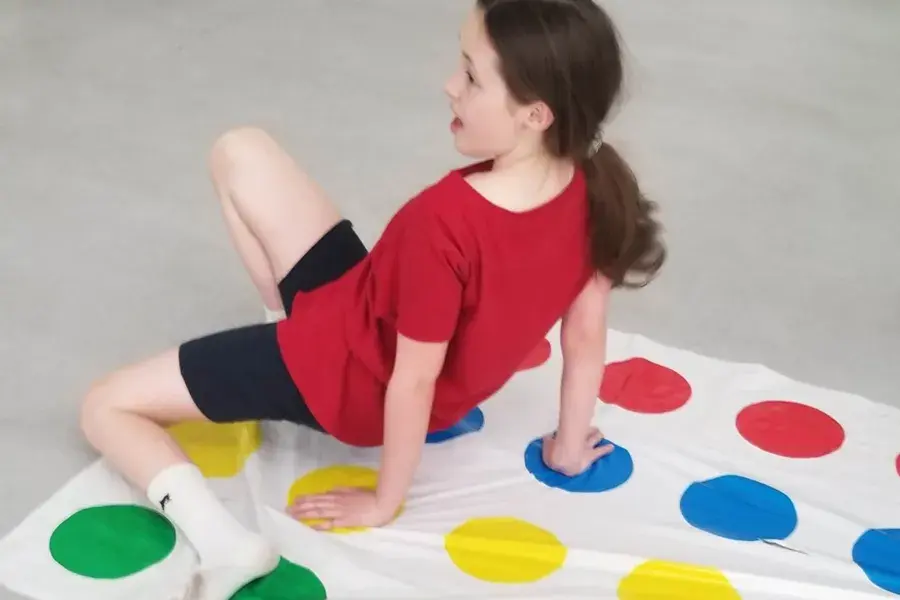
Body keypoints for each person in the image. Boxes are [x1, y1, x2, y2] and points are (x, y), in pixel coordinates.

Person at [79, 0, 665, 597]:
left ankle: (225, 543)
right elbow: (586, 332)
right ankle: (276, 326)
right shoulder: (598, 186)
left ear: (535, 114)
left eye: (470, 76)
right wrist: (569, 448)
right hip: (354, 309)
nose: (449, 86)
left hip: (345, 380)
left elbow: (411, 383)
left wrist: (385, 501)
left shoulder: (446, 222)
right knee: (239, 149)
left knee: (105, 406)